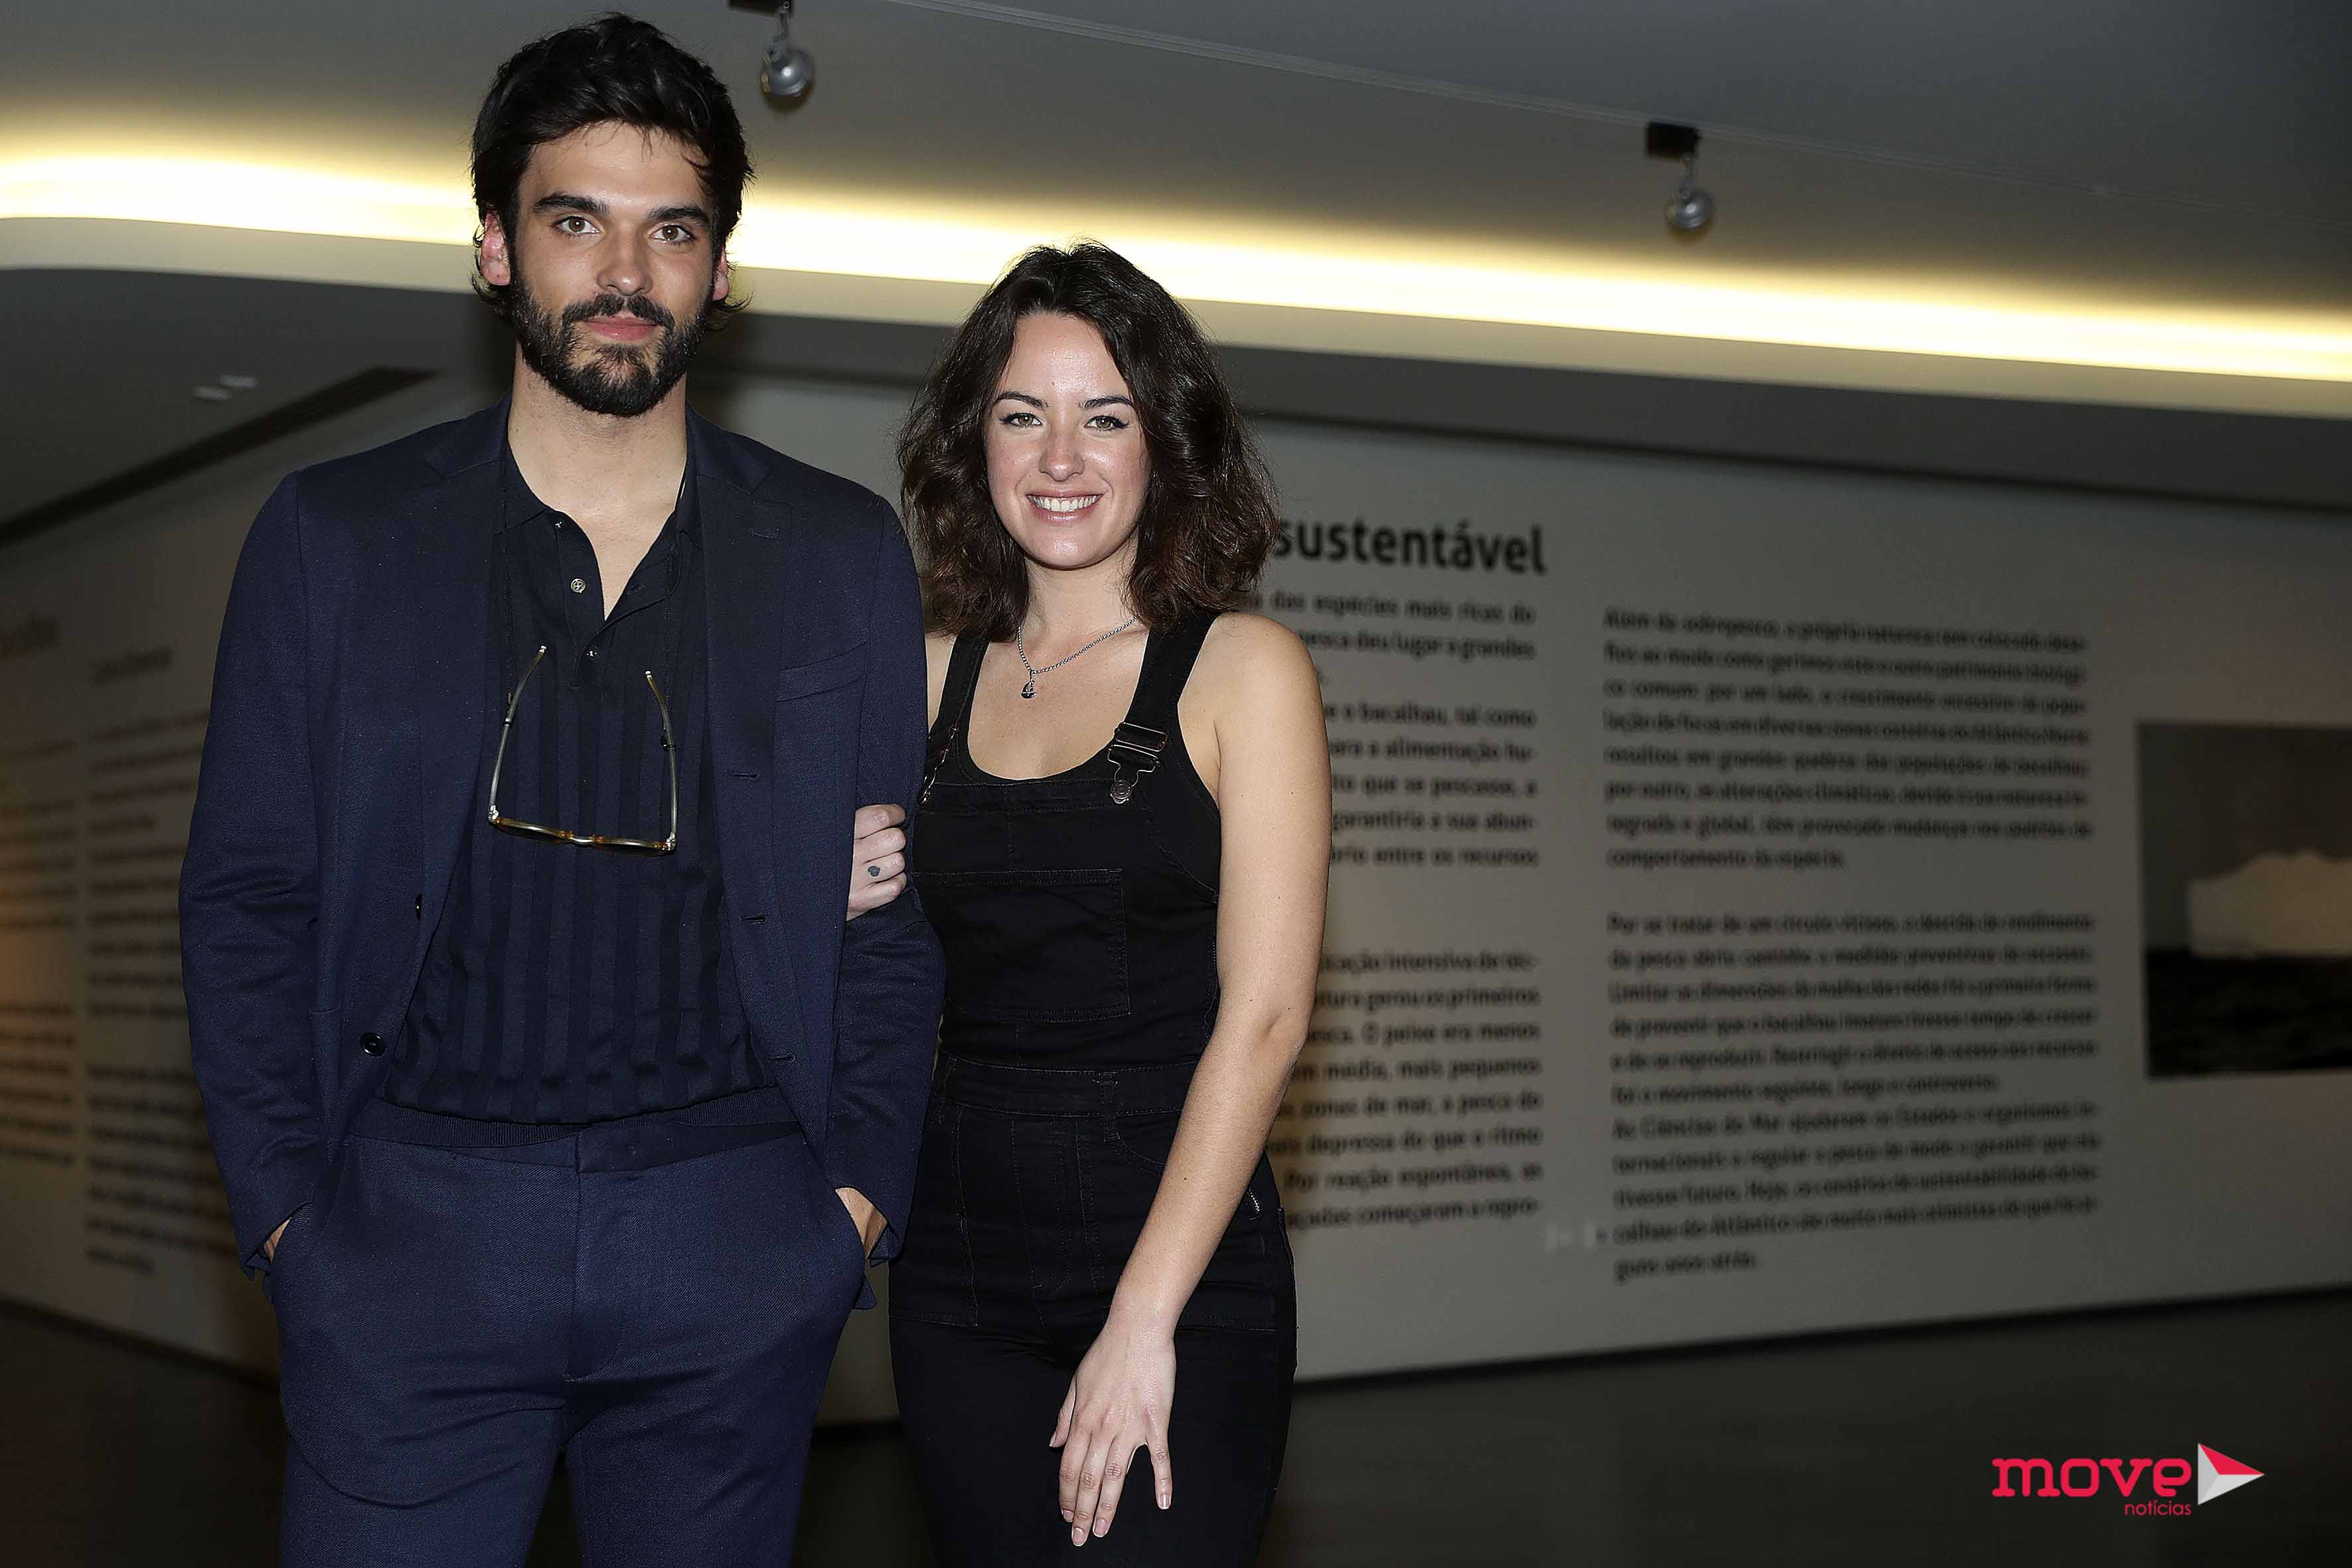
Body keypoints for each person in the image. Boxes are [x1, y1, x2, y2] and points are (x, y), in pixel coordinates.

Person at [178, 17, 942, 1564]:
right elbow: (247, 895)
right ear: (493, 247)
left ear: (718, 268)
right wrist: (290, 1217)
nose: (625, 271)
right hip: (409, 1239)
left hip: (734, 1235)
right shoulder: (334, 536)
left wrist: (848, 1206)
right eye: (575, 220)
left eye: (674, 230)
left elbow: (890, 911)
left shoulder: (838, 550)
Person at [856, 242, 1330, 1563]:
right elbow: (864, 956)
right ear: (976, 444)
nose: (1059, 456)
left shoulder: (1244, 670)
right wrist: (838, 886)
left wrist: (1142, 1316)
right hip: (957, 1271)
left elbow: (1267, 1017)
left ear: (1164, 442)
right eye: (1023, 415)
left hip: (1179, 1267)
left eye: (1103, 416)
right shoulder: (920, 675)